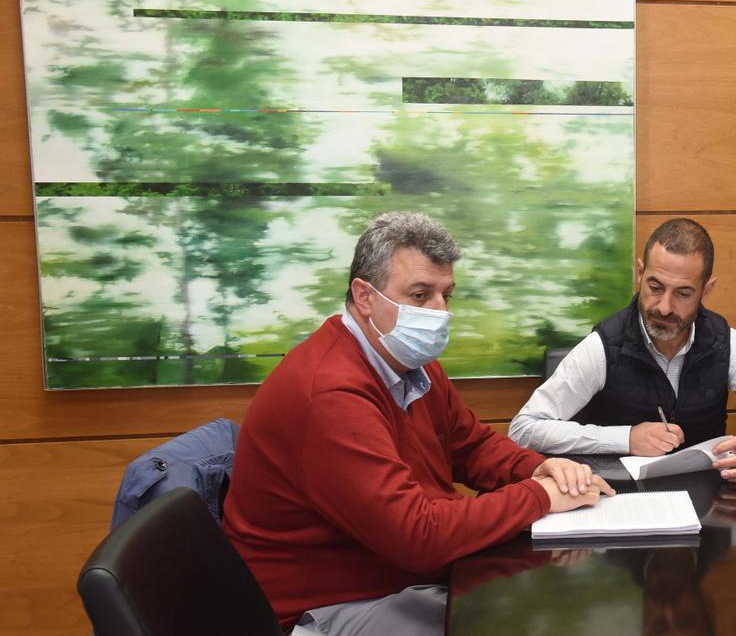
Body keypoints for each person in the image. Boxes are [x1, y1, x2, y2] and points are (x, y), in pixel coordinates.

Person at [222, 211, 613, 634]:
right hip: (323, 610)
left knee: (543, 605)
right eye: (420, 295)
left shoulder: (410, 361)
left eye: (447, 295)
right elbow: (419, 538)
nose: (440, 312)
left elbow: (471, 445)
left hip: (394, 577)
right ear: (365, 296)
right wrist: (538, 496)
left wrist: (536, 467)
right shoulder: (330, 393)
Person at [508, 218, 736, 482]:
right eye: (654, 287)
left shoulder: (727, 343)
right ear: (639, 273)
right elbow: (524, 429)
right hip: (618, 507)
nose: (664, 307)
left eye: (682, 293)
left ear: (706, 290)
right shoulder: (604, 346)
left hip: (705, 512)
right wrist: (624, 438)